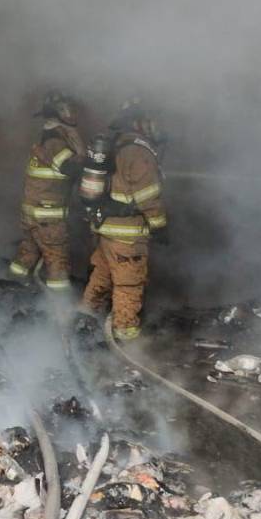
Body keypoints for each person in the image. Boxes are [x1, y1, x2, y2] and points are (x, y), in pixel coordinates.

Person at [80, 99, 168, 342]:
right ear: (139, 122)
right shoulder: (139, 152)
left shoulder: (117, 145)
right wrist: (160, 226)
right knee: (129, 285)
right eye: (152, 121)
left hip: (106, 230)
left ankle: (83, 323)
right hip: (127, 235)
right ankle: (126, 341)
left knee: (102, 277)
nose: (156, 126)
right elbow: (147, 196)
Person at [9, 91, 85, 290]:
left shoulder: (46, 135)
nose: (72, 113)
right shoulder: (55, 140)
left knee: (28, 252)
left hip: (33, 211)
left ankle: (9, 290)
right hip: (47, 215)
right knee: (57, 260)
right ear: (57, 112)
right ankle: (57, 309)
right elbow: (70, 168)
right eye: (67, 109)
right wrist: (97, 163)